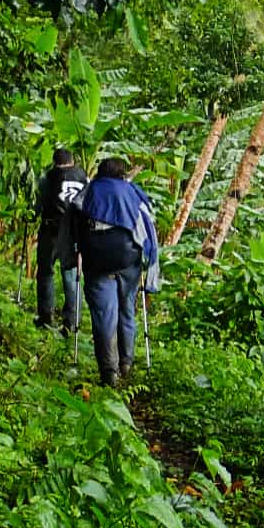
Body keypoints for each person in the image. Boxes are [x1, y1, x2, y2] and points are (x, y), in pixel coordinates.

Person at [78, 157, 159, 387]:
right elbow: (147, 229)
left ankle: (108, 372)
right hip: (128, 260)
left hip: (97, 262)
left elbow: (75, 224)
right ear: (122, 174)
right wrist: (149, 261)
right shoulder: (133, 193)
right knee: (126, 308)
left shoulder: (88, 192)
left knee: (104, 315)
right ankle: (126, 361)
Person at [33, 147, 87, 334]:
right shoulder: (83, 176)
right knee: (71, 276)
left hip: (51, 230)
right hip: (74, 233)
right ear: (72, 161)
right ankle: (71, 321)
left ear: (55, 162)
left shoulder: (48, 178)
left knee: (45, 272)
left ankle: (46, 316)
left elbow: (38, 203)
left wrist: (32, 216)